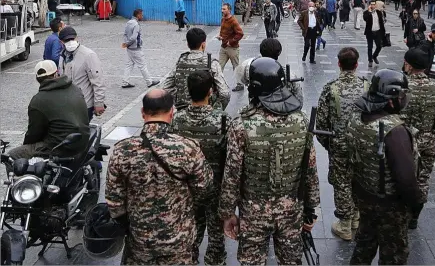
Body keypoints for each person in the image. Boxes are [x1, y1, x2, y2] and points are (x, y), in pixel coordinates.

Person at [219, 58, 320, 265]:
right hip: (291, 209)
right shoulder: (301, 121)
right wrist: (312, 208)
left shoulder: (242, 125)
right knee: (291, 261)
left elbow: (232, 175)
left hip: (253, 212)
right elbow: (310, 170)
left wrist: (227, 212)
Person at [105, 89, 213, 265]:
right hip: (178, 239)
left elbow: (114, 201)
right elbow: (205, 187)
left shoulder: (122, 150)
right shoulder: (187, 148)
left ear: (142, 113)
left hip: (140, 241)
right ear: (172, 113)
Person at [337, 69, 422, 265]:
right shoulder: (395, 131)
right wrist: (415, 204)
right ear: (391, 99)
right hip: (390, 205)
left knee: (364, 245)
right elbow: (406, 179)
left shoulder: (357, 118)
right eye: (401, 96)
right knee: (393, 255)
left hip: (364, 196)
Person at [171, 71, 231, 265]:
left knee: (190, 231)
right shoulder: (222, 120)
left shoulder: (177, 119)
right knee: (216, 235)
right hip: (215, 187)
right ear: (211, 92)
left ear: (188, 92)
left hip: (187, 188)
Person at [5, 60, 90, 173]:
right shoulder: (75, 88)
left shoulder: (38, 100)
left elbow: (34, 133)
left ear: (37, 78)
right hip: (82, 138)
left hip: (59, 146)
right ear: (57, 73)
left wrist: (27, 145)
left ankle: (19, 186)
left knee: (12, 156)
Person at [316, 47, 365, 240]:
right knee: (360, 180)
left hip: (339, 144)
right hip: (362, 143)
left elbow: (320, 122)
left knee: (342, 182)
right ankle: (356, 218)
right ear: (357, 64)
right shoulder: (367, 86)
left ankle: (345, 224)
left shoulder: (331, 88)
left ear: (339, 64)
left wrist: (329, 143)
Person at [401, 48, 435, 229]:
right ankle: (415, 215)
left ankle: (401, 214)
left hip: (403, 140)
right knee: (422, 179)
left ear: (409, 64)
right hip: (427, 140)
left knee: (401, 178)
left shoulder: (401, 86)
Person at [163, 27, 230, 110]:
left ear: (187, 44)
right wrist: (216, 110)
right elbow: (224, 93)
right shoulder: (211, 63)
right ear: (203, 44)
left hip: (183, 113)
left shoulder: (181, 61)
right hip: (206, 113)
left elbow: (166, 88)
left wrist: (179, 101)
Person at [58, 26, 106, 121]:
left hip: (84, 104)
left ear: (76, 38)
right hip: (67, 103)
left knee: (81, 133)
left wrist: (99, 103)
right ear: (61, 42)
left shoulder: (88, 55)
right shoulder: (62, 55)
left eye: (72, 39)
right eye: (67, 40)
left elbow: (97, 81)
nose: (70, 42)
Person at [121, 9, 160, 89]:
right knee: (142, 66)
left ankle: (125, 82)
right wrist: (128, 43)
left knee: (129, 65)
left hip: (129, 48)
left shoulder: (128, 22)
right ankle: (149, 82)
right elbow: (134, 37)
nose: (142, 16)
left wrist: (126, 43)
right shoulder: (136, 24)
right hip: (135, 48)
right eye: (141, 15)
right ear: (138, 15)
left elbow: (125, 34)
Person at [218, 3, 244, 91]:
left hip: (233, 48)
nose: (222, 11)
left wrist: (231, 42)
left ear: (229, 10)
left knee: (236, 67)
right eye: (222, 9)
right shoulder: (223, 20)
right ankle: (217, 84)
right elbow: (223, 31)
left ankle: (240, 84)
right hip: (223, 47)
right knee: (218, 66)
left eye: (224, 9)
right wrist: (220, 37)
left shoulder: (233, 21)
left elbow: (240, 34)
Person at [363, 0, 386, 68]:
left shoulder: (378, 12)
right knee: (370, 47)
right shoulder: (366, 13)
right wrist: (369, 11)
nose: (373, 6)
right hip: (370, 32)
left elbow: (381, 22)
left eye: (374, 4)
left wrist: (383, 32)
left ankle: (374, 56)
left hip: (378, 31)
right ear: (369, 5)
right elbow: (365, 19)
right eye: (371, 4)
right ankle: (370, 61)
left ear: (375, 5)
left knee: (379, 46)